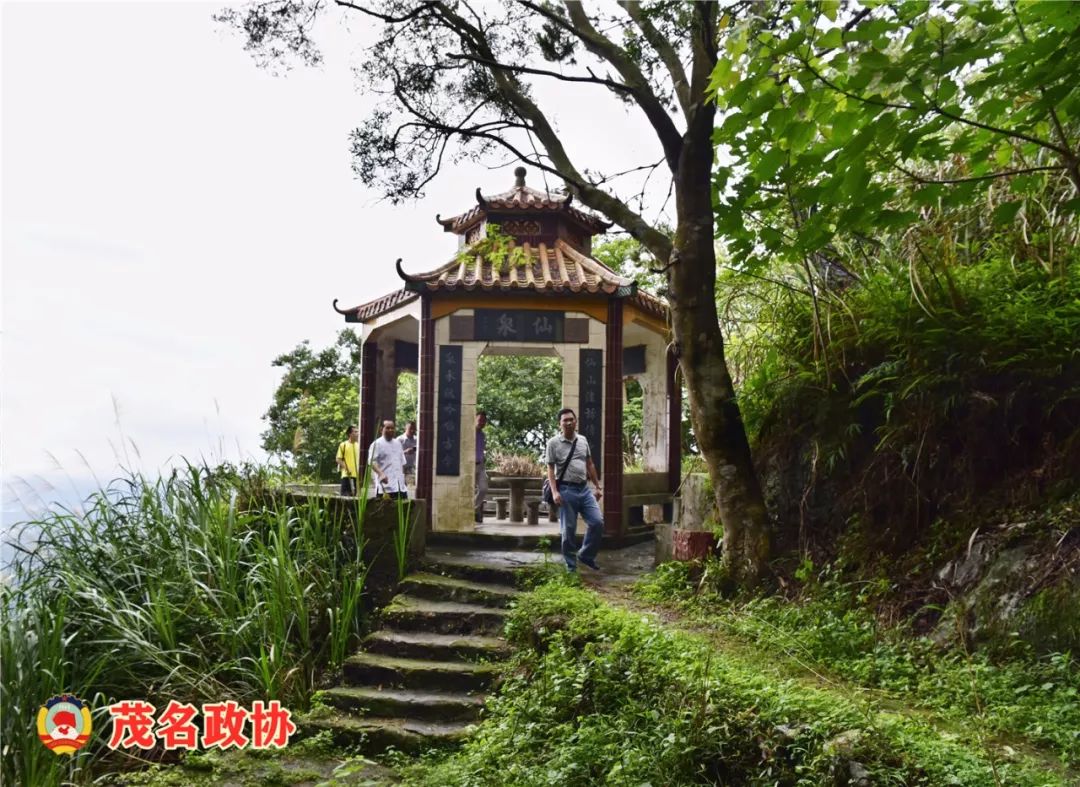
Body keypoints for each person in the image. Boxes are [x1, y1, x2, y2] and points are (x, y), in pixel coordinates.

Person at [546, 408, 603, 572]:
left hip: (584, 490)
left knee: (597, 522)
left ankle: (586, 555)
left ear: (576, 421)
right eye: (565, 420)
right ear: (560, 424)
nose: (569, 422)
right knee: (568, 530)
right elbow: (550, 469)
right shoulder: (553, 443)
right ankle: (571, 567)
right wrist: (555, 492)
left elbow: (590, 464)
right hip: (566, 490)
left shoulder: (583, 440)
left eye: (571, 419)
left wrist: (597, 486)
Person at [368, 419, 408, 499]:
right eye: (388, 428)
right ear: (381, 429)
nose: (391, 430)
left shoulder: (398, 443)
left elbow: (402, 462)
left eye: (392, 428)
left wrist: (403, 479)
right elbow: (372, 462)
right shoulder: (377, 444)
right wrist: (381, 473)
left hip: (400, 487)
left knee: (403, 510)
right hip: (385, 488)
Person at [336, 425, 360, 496]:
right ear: (350, 434)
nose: (357, 434)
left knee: (353, 499)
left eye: (357, 432)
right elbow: (338, 459)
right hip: (346, 476)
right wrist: (346, 468)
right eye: (355, 432)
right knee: (345, 498)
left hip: (356, 477)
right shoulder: (343, 445)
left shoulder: (358, 446)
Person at [474, 410, 488, 523]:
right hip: (470, 466)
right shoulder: (469, 433)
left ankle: (472, 509)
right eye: (480, 420)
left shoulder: (482, 435)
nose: (481, 422)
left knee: (483, 489)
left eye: (484, 421)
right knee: (468, 490)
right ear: (474, 419)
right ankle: (472, 511)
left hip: (480, 465)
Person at [398, 420, 417, 487]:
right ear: (405, 429)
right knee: (402, 486)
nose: (412, 431)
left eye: (414, 429)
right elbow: (395, 454)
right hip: (402, 467)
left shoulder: (417, 439)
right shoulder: (399, 440)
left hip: (413, 467)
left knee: (413, 486)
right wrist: (405, 452)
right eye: (410, 429)